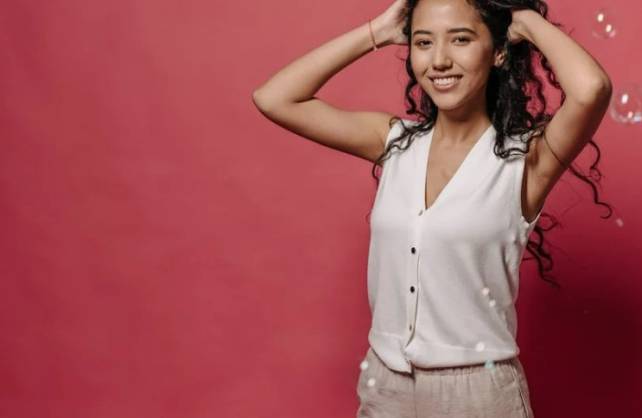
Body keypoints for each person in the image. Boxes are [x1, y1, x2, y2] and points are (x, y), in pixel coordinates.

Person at [253, 0, 612, 416]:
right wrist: (378, 31)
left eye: (461, 39)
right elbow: (275, 98)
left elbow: (592, 89)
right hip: (385, 384)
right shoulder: (393, 143)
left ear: (498, 51)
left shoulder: (526, 160)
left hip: (478, 394)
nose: (439, 60)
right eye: (424, 42)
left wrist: (524, 21)